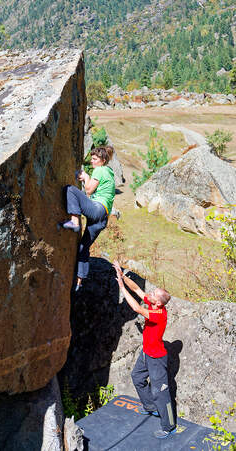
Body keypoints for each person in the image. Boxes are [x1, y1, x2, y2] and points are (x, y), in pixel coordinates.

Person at [113, 260, 176, 439]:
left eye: (154, 294)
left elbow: (136, 307)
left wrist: (120, 287)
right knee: (137, 377)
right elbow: (138, 291)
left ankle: (169, 425)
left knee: (161, 393)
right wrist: (123, 276)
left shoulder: (158, 314)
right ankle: (150, 407)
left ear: (158, 302)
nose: (150, 294)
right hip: (146, 353)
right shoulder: (154, 303)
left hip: (157, 359)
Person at [60, 145, 115, 291]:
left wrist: (86, 177)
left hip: (97, 210)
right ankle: (79, 281)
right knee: (83, 247)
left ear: (102, 160)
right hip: (102, 218)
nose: (92, 161)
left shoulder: (100, 170)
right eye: (92, 158)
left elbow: (89, 190)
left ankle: (74, 221)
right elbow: (90, 195)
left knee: (69, 189)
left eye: (95, 159)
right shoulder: (109, 172)